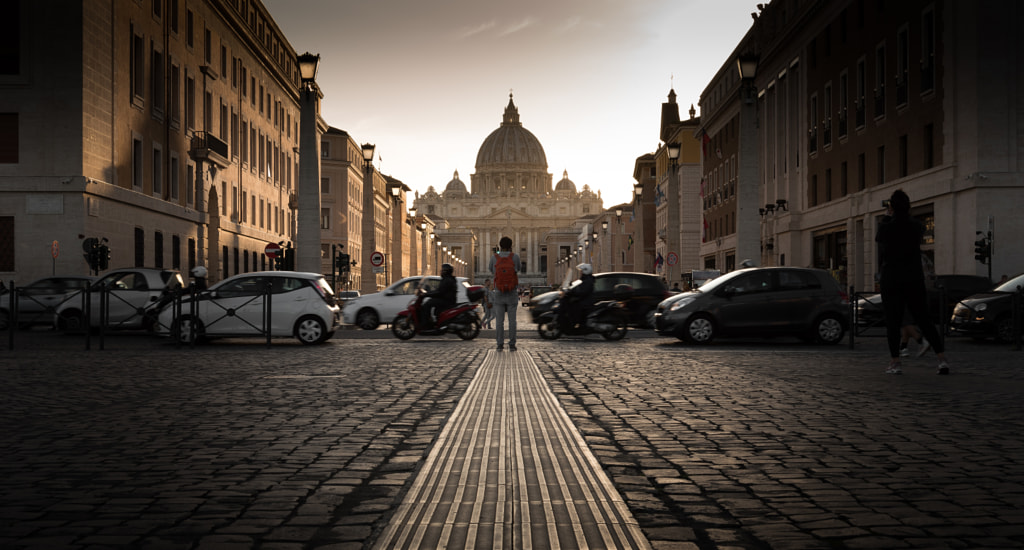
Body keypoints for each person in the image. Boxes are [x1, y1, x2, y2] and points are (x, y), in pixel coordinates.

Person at [875, 189, 949, 375]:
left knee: (893, 321)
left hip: (892, 277)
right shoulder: (916, 225)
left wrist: (887, 217)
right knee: (924, 319)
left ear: (891, 207)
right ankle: (942, 359)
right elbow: (917, 231)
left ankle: (895, 361)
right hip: (913, 277)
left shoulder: (887, 226)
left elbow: (879, 238)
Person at [488, 236, 521, 351]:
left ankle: (500, 343)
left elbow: (492, 270)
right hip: (512, 292)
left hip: (499, 292)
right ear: (511, 246)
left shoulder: (494, 257)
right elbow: (518, 269)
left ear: (500, 246)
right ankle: (512, 343)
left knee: (499, 321)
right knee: (512, 321)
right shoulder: (515, 257)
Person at [420, 263, 457, 330]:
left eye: (442, 270)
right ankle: (432, 321)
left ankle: (426, 323)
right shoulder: (447, 279)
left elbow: (440, 292)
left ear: (446, 271)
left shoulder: (447, 280)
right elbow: (439, 290)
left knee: (428, 304)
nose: (441, 271)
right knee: (431, 302)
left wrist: (427, 294)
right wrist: (428, 293)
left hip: (447, 300)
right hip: (446, 299)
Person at [562, 263, 595, 328]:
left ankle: (577, 324)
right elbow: (578, 286)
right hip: (584, 299)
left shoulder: (588, 280)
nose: (580, 273)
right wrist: (571, 286)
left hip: (586, 301)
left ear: (585, 271)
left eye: (581, 271)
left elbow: (583, 291)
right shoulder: (585, 279)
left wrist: (574, 292)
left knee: (575, 306)